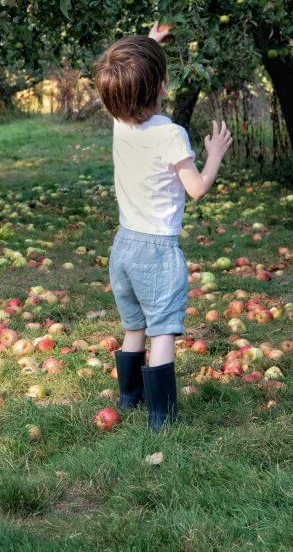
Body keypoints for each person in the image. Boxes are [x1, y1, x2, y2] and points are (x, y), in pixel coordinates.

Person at [93, 25, 233, 430]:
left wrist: (151, 41)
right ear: (160, 87)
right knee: (163, 333)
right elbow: (197, 189)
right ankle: (161, 417)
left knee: (133, 328)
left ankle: (129, 396)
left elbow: (129, 80)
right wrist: (215, 154)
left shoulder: (121, 124)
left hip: (123, 248)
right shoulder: (171, 135)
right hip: (157, 251)